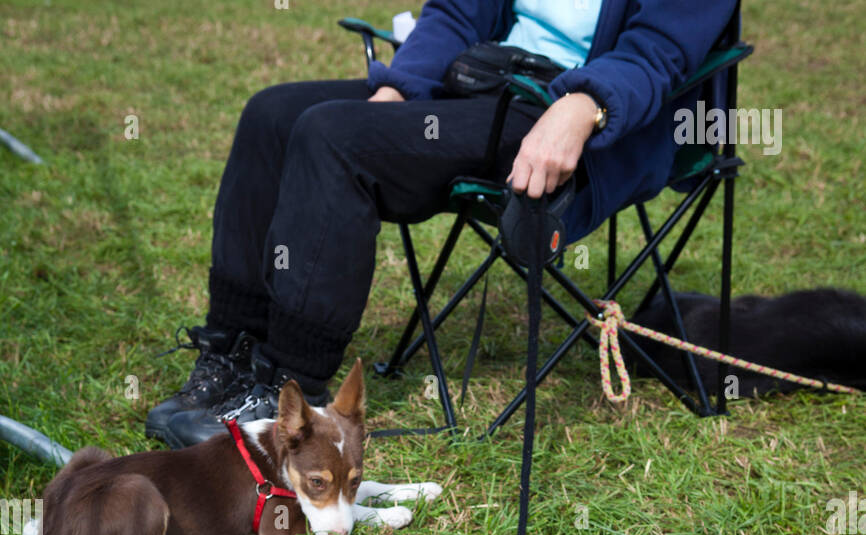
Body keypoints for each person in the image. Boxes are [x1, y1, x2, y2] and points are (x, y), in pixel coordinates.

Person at [147, 0, 737, 447]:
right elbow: (457, 11)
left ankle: (292, 394)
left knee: (332, 139)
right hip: (484, 87)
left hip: (586, 119)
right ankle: (232, 353)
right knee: (273, 114)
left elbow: (659, 53)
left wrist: (583, 106)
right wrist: (398, 92)